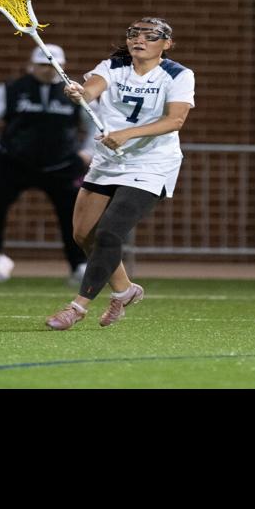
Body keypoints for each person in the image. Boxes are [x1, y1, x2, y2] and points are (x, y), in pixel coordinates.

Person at [44, 17, 195, 331]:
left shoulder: (178, 75)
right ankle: (124, 290)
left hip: (152, 163)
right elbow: (91, 90)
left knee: (110, 232)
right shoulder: (112, 66)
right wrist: (79, 93)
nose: (139, 40)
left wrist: (128, 134)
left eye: (150, 36)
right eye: (134, 34)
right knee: (83, 235)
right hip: (108, 160)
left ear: (166, 44)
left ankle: (77, 308)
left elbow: (175, 120)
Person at [0, 44, 94, 285]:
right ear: (32, 65)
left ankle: (78, 264)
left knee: (74, 215)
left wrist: (87, 152)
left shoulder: (74, 91)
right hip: (13, 162)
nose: (47, 70)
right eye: (42, 65)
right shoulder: (12, 89)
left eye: (52, 65)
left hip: (62, 164)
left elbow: (94, 120)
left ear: (61, 66)